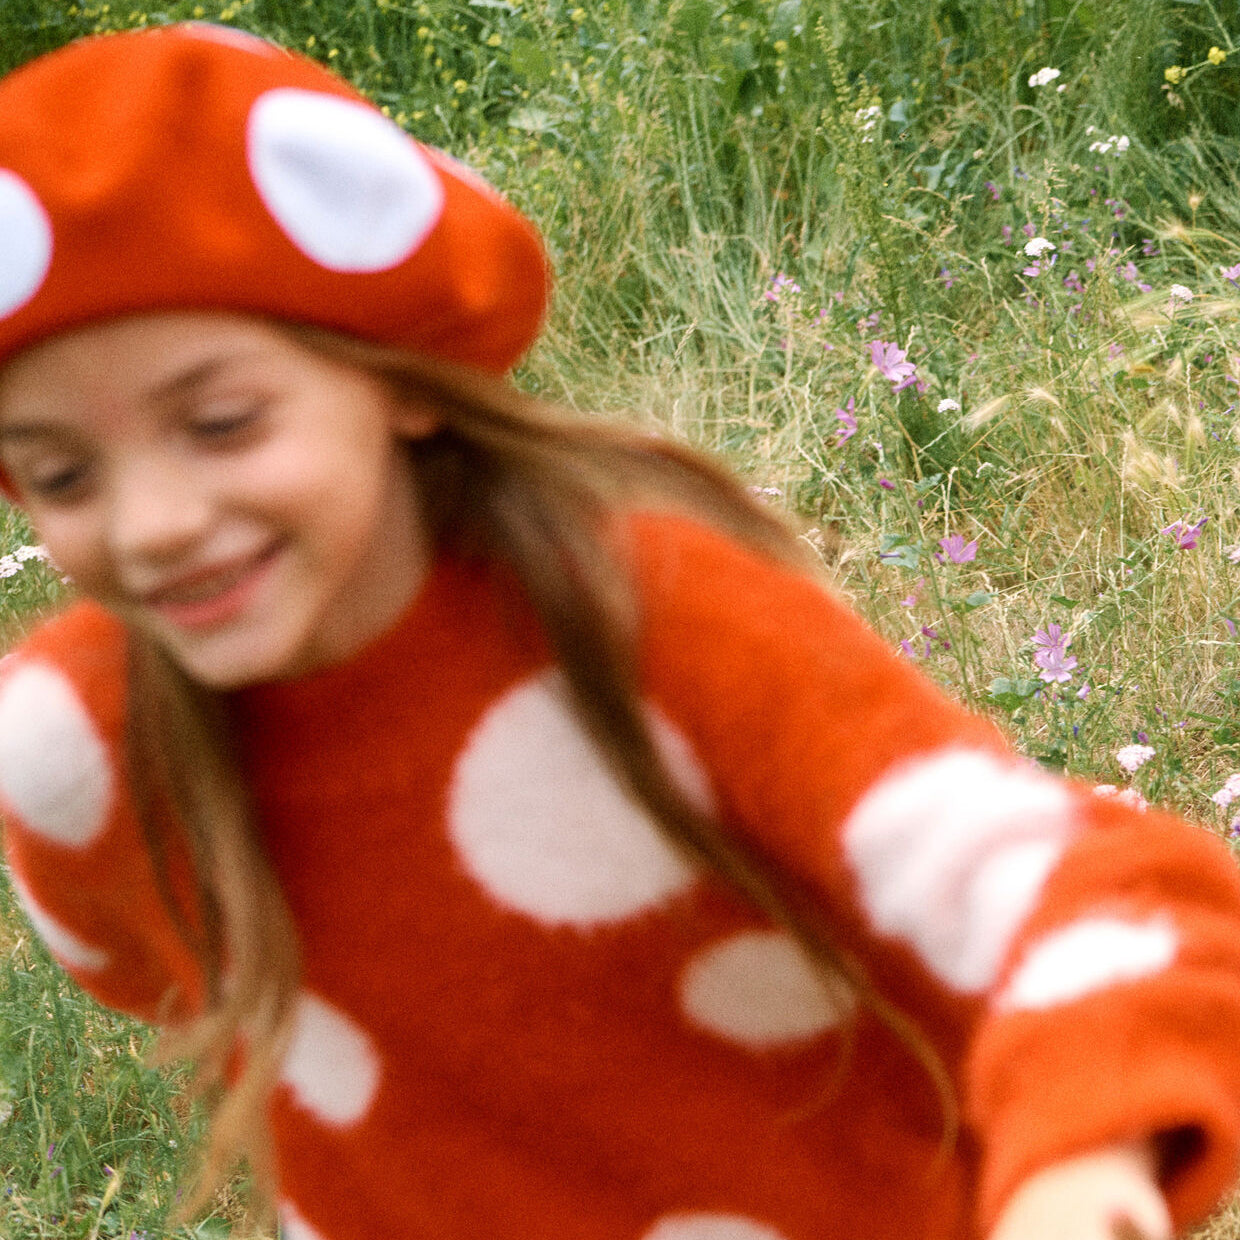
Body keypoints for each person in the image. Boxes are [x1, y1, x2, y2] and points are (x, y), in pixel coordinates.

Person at [0, 23, 1236, 1240]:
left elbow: (1072, 890)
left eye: (220, 423)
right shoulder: (79, 743)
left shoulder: (640, 614)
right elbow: (138, 964)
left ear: (395, 378)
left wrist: (1080, 1165)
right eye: (58, 475)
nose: (151, 523)